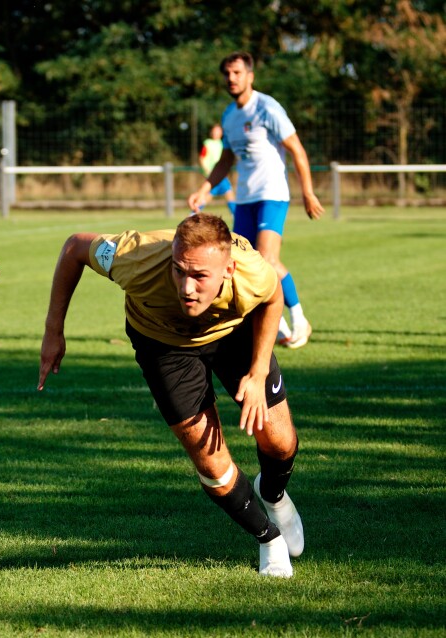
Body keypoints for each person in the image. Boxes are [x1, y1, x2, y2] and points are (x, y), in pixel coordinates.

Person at [38, 213, 304, 578]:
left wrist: (258, 373)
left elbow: (273, 296)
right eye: (180, 271)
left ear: (227, 270)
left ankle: (273, 494)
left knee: (281, 443)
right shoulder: (137, 257)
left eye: (199, 276)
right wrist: (54, 330)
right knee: (212, 465)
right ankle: (268, 539)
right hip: (163, 346)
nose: (186, 287)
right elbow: (74, 248)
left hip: (234, 335)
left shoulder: (250, 272)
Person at [187, 52, 324, 349]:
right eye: (227, 74)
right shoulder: (229, 116)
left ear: (250, 76)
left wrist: (308, 192)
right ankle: (280, 328)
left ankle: (299, 318)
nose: (231, 78)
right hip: (246, 198)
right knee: (243, 262)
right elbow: (225, 159)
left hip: (273, 194)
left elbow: (297, 150)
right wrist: (204, 190)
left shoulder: (268, 108)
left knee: (267, 259)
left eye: (237, 73)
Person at [197, 124, 235, 218]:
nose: (216, 133)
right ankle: (235, 214)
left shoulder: (223, 144)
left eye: (218, 131)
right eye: (214, 131)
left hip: (221, 174)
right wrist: (207, 170)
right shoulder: (208, 143)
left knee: (213, 195)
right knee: (228, 193)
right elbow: (202, 158)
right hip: (214, 174)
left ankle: (195, 210)